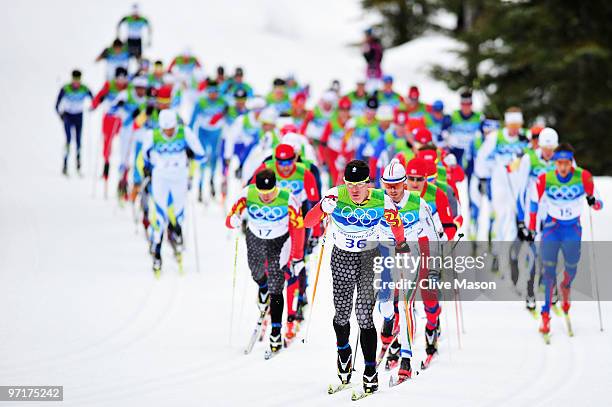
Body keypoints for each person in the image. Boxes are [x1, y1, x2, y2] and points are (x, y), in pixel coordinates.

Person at [304, 160, 409, 395]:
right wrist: (322, 209)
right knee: (341, 315)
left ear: (368, 184)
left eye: (359, 185)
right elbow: (307, 222)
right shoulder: (334, 196)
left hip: (368, 259)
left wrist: (401, 244)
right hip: (341, 258)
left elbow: (396, 225)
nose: (354, 190)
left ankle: (370, 372)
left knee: (363, 316)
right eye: (349, 184)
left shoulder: (382, 200)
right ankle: (343, 353)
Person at [225, 169, 305, 354]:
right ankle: (262, 289)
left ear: (276, 187)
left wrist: (297, 256)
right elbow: (229, 218)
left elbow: (298, 227)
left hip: (279, 240)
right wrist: (234, 220)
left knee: (277, 286)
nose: (266, 197)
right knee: (256, 272)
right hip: (255, 237)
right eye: (262, 193)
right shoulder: (247, 194)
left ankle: (276, 332)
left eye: (269, 193)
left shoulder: (288, 198)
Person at [528, 143, 603, 339]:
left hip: (572, 229)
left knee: (571, 267)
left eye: (566, 163)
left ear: (571, 163)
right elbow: (534, 203)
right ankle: (545, 315)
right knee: (549, 272)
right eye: (559, 163)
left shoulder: (583, 177)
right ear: (554, 163)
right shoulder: (545, 178)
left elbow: (599, 204)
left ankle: (566, 286)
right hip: (552, 229)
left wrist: (593, 201)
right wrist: (533, 228)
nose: (562, 167)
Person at [251, 144, 321, 334]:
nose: (284, 166)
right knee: (267, 266)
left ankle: (292, 312)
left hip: (296, 223)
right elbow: (250, 190)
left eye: (288, 161)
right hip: (273, 225)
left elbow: (315, 203)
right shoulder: (267, 167)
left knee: (294, 266)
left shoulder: (304, 173)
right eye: (280, 162)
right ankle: (268, 302)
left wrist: (316, 231)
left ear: (295, 158)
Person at [377, 160, 436, 380]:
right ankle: (390, 327)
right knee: (385, 305)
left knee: (406, 305)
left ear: (404, 183)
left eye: (396, 185)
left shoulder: (418, 204)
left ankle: (406, 358)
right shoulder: (377, 203)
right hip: (385, 257)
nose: (392, 190)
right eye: (388, 185)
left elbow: (432, 236)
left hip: (410, 257)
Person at [141, 110, 204, 274]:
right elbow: (144, 157)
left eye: (171, 129)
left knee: (178, 213)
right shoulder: (152, 134)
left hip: (179, 177)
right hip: (160, 177)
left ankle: (177, 235)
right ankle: (157, 251)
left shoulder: (185, 132)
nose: (168, 132)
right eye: (165, 130)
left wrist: (192, 154)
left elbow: (201, 154)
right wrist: (146, 169)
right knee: (159, 214)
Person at [515, 127, 557, 312]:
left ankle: (550, 287)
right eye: (545, 149)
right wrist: (521, 219)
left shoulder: (561, 159)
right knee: (534, 251)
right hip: (534, 211)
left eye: (552, 149)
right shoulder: (529, 158)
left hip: (554, 211)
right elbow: (521, 189)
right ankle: (530, 291)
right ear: (539, 145)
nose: (549, 153)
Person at [109, 75, 149, 201]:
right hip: (126, 131)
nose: (141, 91)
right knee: (124, 159)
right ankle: (122, 184)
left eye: (143, 88)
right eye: (138, 88)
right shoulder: (125, 95)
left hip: (140, 133)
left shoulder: (147, 100)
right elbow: (111, 111)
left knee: (138, 160)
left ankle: (136, 186)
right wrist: (119, 105)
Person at [189, 79, 228, 200]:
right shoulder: (200, 102)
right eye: (210, 92)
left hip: (216, 133)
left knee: (214, 157)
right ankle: (200, 185)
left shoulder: (223, 102)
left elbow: (230, 117)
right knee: (203, 157)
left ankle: (211, 179)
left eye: (215, 92)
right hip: (203, 132)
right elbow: (192, 120)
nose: (213, 95)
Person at [91, 67, 130, 182]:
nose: (121, 81)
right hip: (108, 117)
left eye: (124, 78)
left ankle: (124, 170)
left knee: (124, 143)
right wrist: (96, 103)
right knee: (107, 142)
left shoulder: (128, 87)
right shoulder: (109, 85)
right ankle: (106, 166)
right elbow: (98, 97)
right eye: (119, 78)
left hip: (121, 119)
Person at [55, 69, 93, 176]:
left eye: (78, 80)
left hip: (79, 116)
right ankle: (65, 164)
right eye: (74, 80)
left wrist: (92, 107)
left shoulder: (84, 88)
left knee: (78, 141)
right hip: (68, 115)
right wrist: (61, 115)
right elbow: (56, 104)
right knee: (68, 140)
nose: (76, 82)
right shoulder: (65, 88)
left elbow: (93, 99)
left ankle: (78, 165)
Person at [319, 96, 355, 186]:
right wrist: (323, 159)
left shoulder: (353, 123)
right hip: (332, 154)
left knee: (348, 179)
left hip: (348, 154)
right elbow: (323, 142)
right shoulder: (332, 123)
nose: (344, 113)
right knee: (335, 179)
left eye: (347, 110)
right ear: (338, 110)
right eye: (342, 110)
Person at [448, 91, 484, 175]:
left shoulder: (479, 117)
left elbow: (485, 133)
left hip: (472, 150)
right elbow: (444, 131)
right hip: (457, 150)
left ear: (471, 105)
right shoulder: (453, 115)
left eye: (468, 104)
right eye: (464, 104)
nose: (466, 107)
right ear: (460, 104)